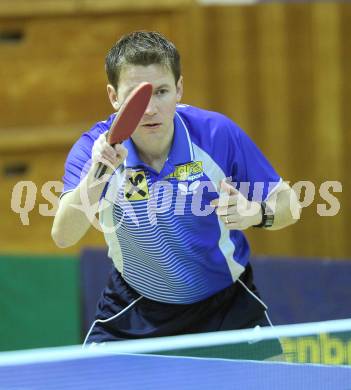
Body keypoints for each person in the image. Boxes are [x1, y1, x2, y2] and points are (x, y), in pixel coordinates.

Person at [51, 31, 301, 359]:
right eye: (137, 96)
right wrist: (98, 175)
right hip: (136, 310)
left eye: (162, 92)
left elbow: (291, 205)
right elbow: (63, 236)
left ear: (180, 89)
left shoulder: (215, 135)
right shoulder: (92, 150)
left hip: (225, 307)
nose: (151, 109)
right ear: (113, 96)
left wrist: (256, 213)